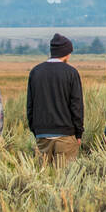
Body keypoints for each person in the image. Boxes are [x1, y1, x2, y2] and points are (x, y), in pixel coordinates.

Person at [26, 33, 84, 167]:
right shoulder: (71, 72)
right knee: (65, 178)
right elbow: (76, 106)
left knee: (43, 177)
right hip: (66, 134)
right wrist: (78, 132)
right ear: (66, 53)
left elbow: (30, 105)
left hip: (42, 134)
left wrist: (35, 129)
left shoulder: (36, 71)